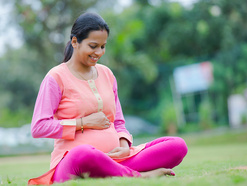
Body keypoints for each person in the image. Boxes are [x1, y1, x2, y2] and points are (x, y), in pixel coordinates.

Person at [28, 12, 188, 185]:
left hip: (117, 161)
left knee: (177, 146)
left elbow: (118, 122)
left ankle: (116, 172)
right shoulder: (56, 77)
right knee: (82, 154)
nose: (99, 52)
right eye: (93, 46)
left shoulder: (107, 74)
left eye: (103, 46)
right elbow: (39, 127)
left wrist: (124, 146)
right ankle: (139, 176)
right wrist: (83, 122)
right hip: (75, 164)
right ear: (75, 42)